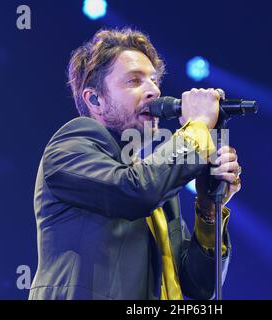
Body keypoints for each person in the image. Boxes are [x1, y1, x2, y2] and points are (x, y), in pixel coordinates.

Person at [29, 28, 242, 300]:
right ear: (95, 99)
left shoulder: (155, 181)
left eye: (154, 80)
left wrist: (208, 208)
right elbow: (134, 191)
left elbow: (200, 288)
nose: (154, 90)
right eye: (134, 81)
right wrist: (198, 126)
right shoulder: (71, 145)